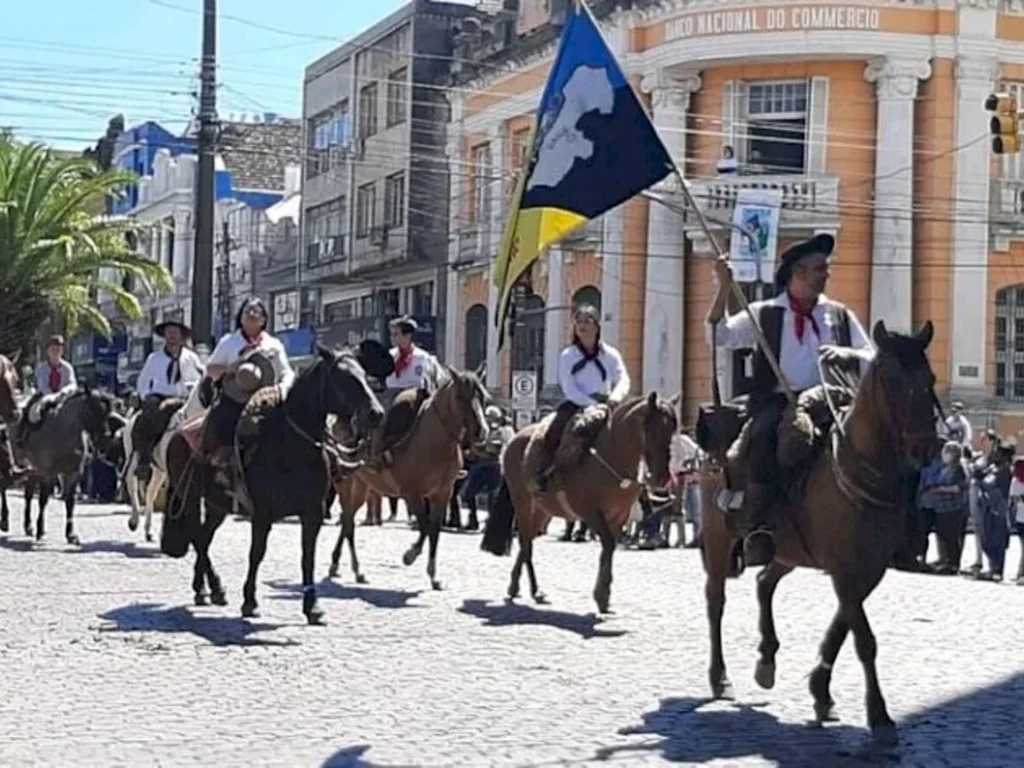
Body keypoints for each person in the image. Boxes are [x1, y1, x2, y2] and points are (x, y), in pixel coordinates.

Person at [706, 233, 874, 566]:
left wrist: (847, 355)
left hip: (832, 401)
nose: (826, 274)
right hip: (780, 403)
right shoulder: (765, 313)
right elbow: (718, 336)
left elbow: (872, 355)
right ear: (797, 273)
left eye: (825, 268)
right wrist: (724, 287)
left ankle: (884, 524)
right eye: (818, 269)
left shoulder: (840, 315)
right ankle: (759, 526)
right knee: (766, 441)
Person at [534, 303, 630, 492]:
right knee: (554, 431)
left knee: (633, 434)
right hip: (577, 404)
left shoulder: (610, 354)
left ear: (597, 326)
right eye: (578, 322)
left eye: (587, 321)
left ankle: (642, 489)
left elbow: (623, 378)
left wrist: (616, 397)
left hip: (608, 403)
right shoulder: (568, 355)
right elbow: (569, 387)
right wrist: (591, 404)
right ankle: (547, 473)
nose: (582, 326)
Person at [202, 297, 295, 470]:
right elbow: (211, 369)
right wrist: (229, 369)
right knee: (223, 419)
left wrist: (281, 389)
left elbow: (287, 372)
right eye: (247, 311)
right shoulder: (229, 342)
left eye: (256, 311)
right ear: (241, 317)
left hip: (267, 399)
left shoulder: (273, 345)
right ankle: (223, 462)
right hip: (233, 398)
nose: (252, 314)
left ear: (264, 319)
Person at [131, 319, 205, 480]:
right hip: (160, 398)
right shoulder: (154, 358)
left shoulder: (192, 358)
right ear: (164, 336)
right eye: (169, 333)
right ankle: (144, 461)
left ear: (181, 337)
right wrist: (146, 396)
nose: (172, 336)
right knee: (147, 421)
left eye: (175, 333)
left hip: (185, 398)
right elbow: (142, 382)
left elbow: (202, 378)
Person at [367, 316, 442, 468]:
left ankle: (445, 461)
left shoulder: (423, 358)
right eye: (391, 334)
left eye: (396, 334)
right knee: (377, 418)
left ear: (407, 336)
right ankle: (376, 454)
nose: (392, 338)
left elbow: (438, 378)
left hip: (417, 396)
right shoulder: (389, 356)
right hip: (392, 395)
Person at [17, 334, 77, 445]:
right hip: (44, 396)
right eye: (53, 349)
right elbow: (43, 386)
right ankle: (22, 436)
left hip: (64, 398)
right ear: (48, 352)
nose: (56, 352)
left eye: (58, 349)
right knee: (29, 409)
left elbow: (73, 384)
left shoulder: (67, 368)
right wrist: (51, 396)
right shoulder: (42, 367)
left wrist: (64, 392)